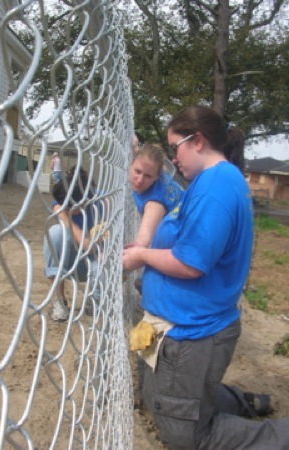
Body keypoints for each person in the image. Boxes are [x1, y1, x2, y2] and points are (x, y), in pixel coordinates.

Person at [123, 105, 289, 450]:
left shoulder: (216, 187)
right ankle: (245, 403)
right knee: (159, 397)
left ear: (197, 141)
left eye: (175, 147)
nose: (173, 158)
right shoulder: (208, 182)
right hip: (179, 325)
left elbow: (191, 263)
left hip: (192, 332)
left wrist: (140, 255)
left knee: (188, 437)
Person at [44, 166, 103, 321]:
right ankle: (59, 301)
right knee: (55, 232)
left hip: (98, 261)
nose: (67, 209)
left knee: (102, 261)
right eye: (65, 206)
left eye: (71, 206)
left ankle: (95, 299)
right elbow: (85, 243)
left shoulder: (102, 201)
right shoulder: (60, 206)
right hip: (73, 262)